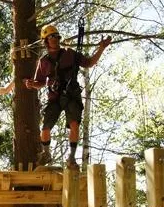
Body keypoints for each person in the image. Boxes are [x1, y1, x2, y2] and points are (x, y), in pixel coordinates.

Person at [24, 25, 112, 169]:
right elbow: (39, 82)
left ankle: (71, 157)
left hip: (71, 94)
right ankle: (46, 153)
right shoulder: (43, 61)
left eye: (57, 36)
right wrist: (31, 84)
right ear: (46, 41)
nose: (55, 39)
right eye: (52, 37)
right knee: (45, 128)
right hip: (54, 96)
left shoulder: (70, 54)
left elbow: (89, 63)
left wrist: (101, 48)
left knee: (74, 125)